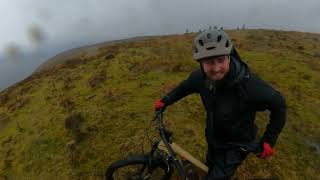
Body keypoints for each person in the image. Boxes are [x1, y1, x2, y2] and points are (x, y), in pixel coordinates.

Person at [154, 29, 287, 179]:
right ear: (200, 63)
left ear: (229, 57)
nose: (216, 68)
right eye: (209, 62)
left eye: (221, 60)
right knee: (211, 164)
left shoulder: (249, 85)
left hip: (236, 146)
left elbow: (279, 105)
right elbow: (184, 88)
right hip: (213, 137)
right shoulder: (199, 78)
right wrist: (165, 100)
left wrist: (269, 140)